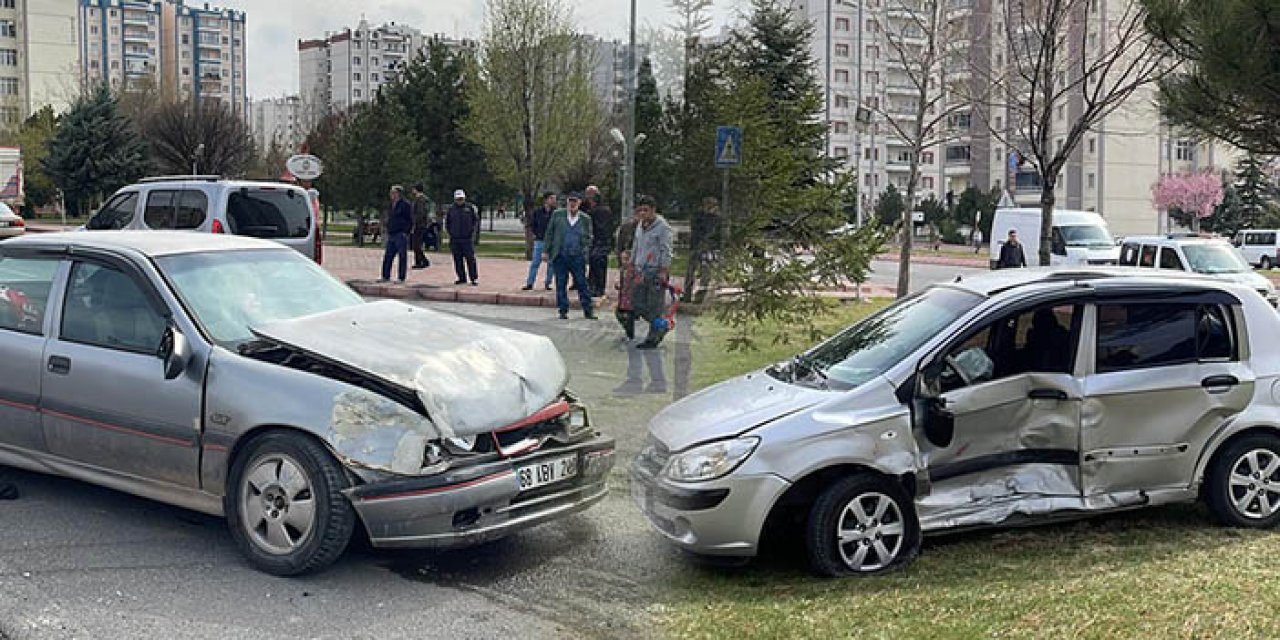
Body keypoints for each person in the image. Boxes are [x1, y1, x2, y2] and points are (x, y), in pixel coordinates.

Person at [630, 194, 674, 349]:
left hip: (656, 271)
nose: (642, 213)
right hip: (641, 271)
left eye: (646, 210)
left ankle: (653, 338)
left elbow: (666, 250)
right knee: (637, 303)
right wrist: (631, 264)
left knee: (655, 306)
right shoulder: (640, 225)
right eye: (640, 210)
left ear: (653, 210)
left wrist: (663, 270)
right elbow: (636, 245)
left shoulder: (663, 227)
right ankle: (662, 325)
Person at [544, 192, 597, 320]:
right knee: (561, 283)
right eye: (570, 201)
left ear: (579, 203)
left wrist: (584, 249)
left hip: (577, 256)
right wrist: (546, 251)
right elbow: (550, 233)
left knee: (581, 283)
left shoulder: (585, 219)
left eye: (575, 201)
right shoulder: (558, 215)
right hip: (560, 255)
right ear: (567, 202)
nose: (572, 204)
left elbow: (589, 236)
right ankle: (563, 310)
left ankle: (588, 309)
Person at [583, 185, 617, 298]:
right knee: (594, 263)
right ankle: (593, 286)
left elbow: (603, 227)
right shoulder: (592, 210)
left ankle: (598, 288)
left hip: (601, 241)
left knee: (598, 263)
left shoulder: (601, 211)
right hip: (597, 241)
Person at [686, 197, 722, 301]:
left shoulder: (716, 219)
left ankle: (700, 296)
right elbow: (699, 229)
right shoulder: (698, 216)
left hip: (709, 248)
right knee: (691, 271)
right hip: (696, 245)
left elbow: (715, 233)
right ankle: (687, 294)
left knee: (705, 273)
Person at [378, 185, 413, 284]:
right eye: (391, 193)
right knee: (388, 256)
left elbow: (410, 219)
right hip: (392, 233)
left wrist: (406, 232)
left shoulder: (405, 205)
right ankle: (385, 276)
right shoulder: (391, 205)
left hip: (401, 233)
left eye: (393, 193)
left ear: (398, 194)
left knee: (402, 256)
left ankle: (401, 278)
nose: (391, 195)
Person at [446, 189, 480, 285]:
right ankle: (461, 277)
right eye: (458, 199)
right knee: (457, 259)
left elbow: (475, 221)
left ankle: (473, 278)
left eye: (461, 199)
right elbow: (448, 223)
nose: (460, 201)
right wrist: (451, 233)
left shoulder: (470, 208)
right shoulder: (451, 209)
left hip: (467, 238)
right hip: (455, 238)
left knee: (470, 259)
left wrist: (471, 233)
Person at [522, 192, 556, 291]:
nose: (554, 201)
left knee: (551, 264)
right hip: (540, 240)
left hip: (552, 241)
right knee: (535, 262)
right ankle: (530, 283)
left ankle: (548, 283)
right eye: (551, 198)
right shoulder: (538, 212)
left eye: (554, 199)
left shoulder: (556, 213)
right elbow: (532, 224)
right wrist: (535, 234)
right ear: (546, 200)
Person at [410, 184, 433, 269]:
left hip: (420, 225)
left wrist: (415, 223)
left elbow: (420, 213)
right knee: (416, 244)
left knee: (417, 244)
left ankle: (422, 261)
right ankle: (420, 261)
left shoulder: (421, 200)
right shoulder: (420, 199)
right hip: (420, 224)